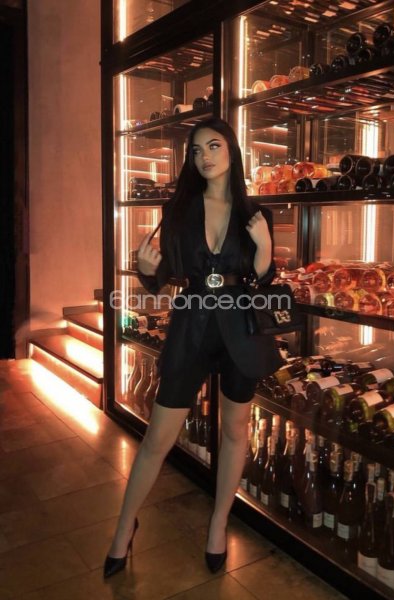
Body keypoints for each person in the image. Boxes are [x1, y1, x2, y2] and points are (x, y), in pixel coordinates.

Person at [104, 117, 284, 579]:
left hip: (241, 328)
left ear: (232, 151)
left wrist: (264, 248)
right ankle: (124, 527)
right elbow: (161, 276)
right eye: (196, 150)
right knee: (157, 438)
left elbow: (264, 279)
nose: (204, 156)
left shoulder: (255, 213)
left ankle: (218, 523)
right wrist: (146, 269)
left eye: (214, 146)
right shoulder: (179, 209)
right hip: (192, 325)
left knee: (235, 430)